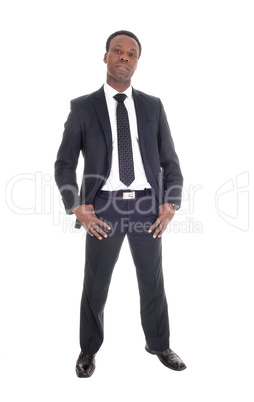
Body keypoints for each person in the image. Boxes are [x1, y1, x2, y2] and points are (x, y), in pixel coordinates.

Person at [55, 30, 186, 378]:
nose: (124, 57)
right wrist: (76, 206)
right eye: (118, 51)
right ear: (106, 57)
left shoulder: (153, 106)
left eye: (131, 54)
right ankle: (88, 349)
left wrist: (170, 203)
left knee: (152, 281)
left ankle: (159, 343)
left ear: (137, 62)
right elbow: (64, 164)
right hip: (103, 209)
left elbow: (170, 162)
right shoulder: (83, 108)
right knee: (95, 283)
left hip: (147, 206)